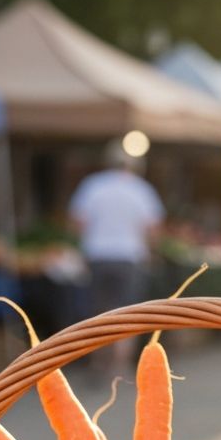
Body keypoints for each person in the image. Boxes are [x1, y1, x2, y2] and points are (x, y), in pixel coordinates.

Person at [68, 140, 165, 380]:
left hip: (98, 255)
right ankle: (119, 367)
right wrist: (149, 249)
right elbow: (153, 228)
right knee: (127, 314)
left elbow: (77, 222)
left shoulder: (92, 186)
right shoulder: (141, 189)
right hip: (129, 257)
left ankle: (99, 363)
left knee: (99, 314)